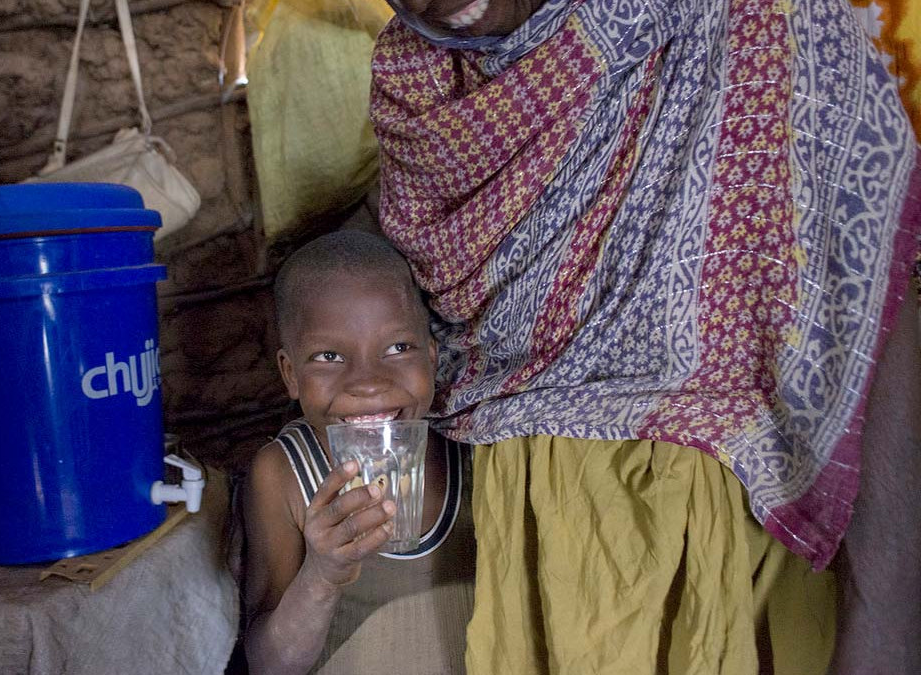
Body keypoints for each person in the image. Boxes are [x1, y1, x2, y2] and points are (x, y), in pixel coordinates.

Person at [370, 0, 921, 673]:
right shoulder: (415, 79)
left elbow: (864, 304)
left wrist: (886, 612)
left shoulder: (759, 19)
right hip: (539, 545)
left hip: (742, 552)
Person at [241, 230, 476, 674]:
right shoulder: (283, 475)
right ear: (290, 375)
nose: (367, 382)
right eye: (329, 356)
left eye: (398, 348)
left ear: (431, 356)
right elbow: (269, 666)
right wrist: (322, 574)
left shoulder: (473, 447)